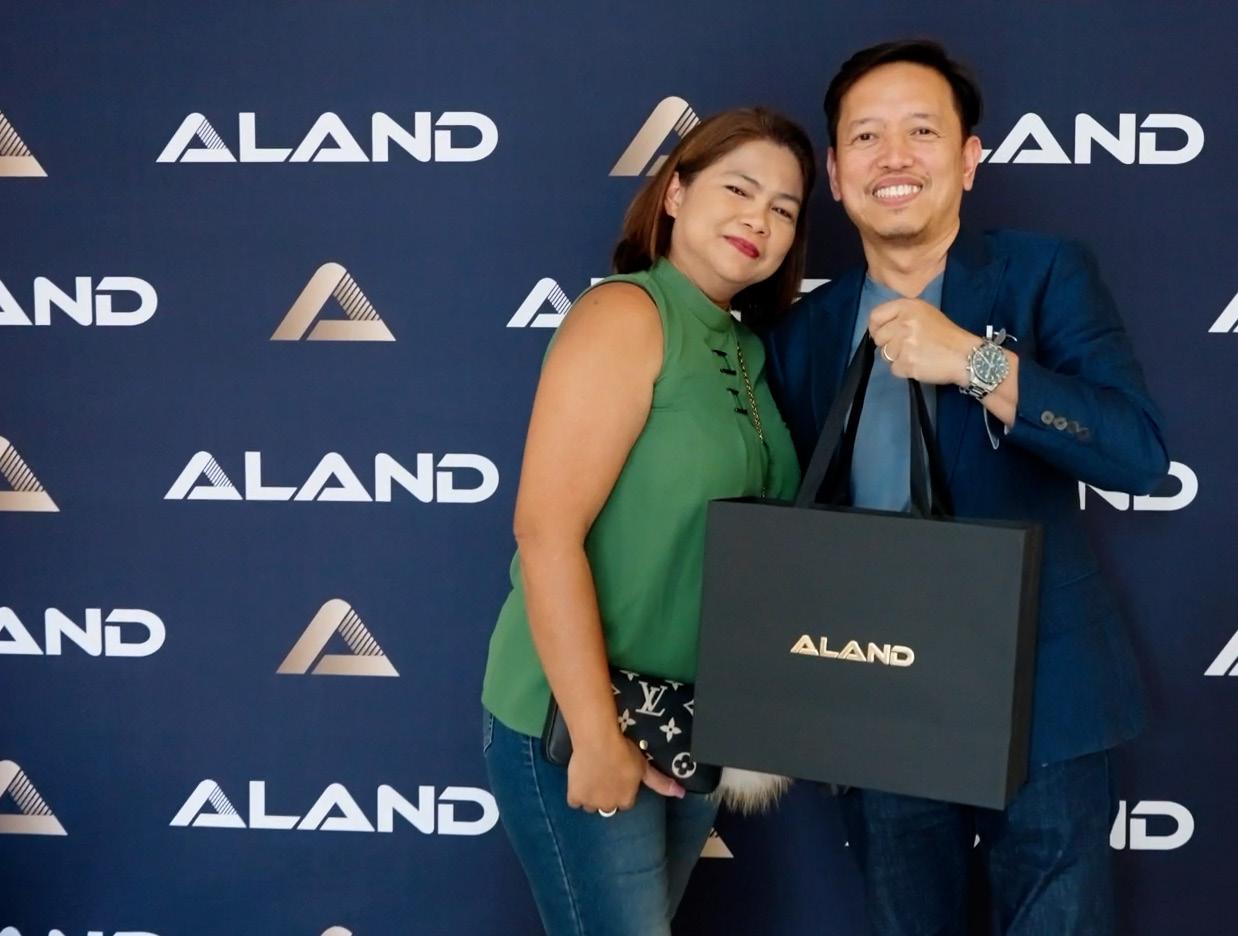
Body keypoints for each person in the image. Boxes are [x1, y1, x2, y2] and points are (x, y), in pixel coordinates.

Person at [764, 40, 1169, 936]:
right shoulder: (803, 332)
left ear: (969, 158)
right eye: (866, 136)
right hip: (878, 696)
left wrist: (975, 362)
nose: (894, 157)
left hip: (1043, 695)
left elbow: (1138, 454)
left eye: (922, 131)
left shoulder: (1045, 273)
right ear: (835, 172)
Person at [481, 108, 814, 936]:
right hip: (576, 717)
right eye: (738, 189)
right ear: (674, 193)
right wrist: (598, 737)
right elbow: (545, 532)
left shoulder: (750, 350)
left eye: (783, 209)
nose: (759, 218)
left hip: (687, 724)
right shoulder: (627, 316)